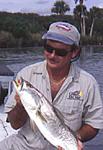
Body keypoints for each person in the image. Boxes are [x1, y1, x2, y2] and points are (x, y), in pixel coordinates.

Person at [0, 21, 103, 150]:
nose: (52, 55)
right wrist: (20, 106)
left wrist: (74, 139)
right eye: (49, 49)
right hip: (24, 145)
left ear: (74, 52)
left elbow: (94, 124)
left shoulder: (88, 83)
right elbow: (14, 125)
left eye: (60, 52)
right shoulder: (26, 74)